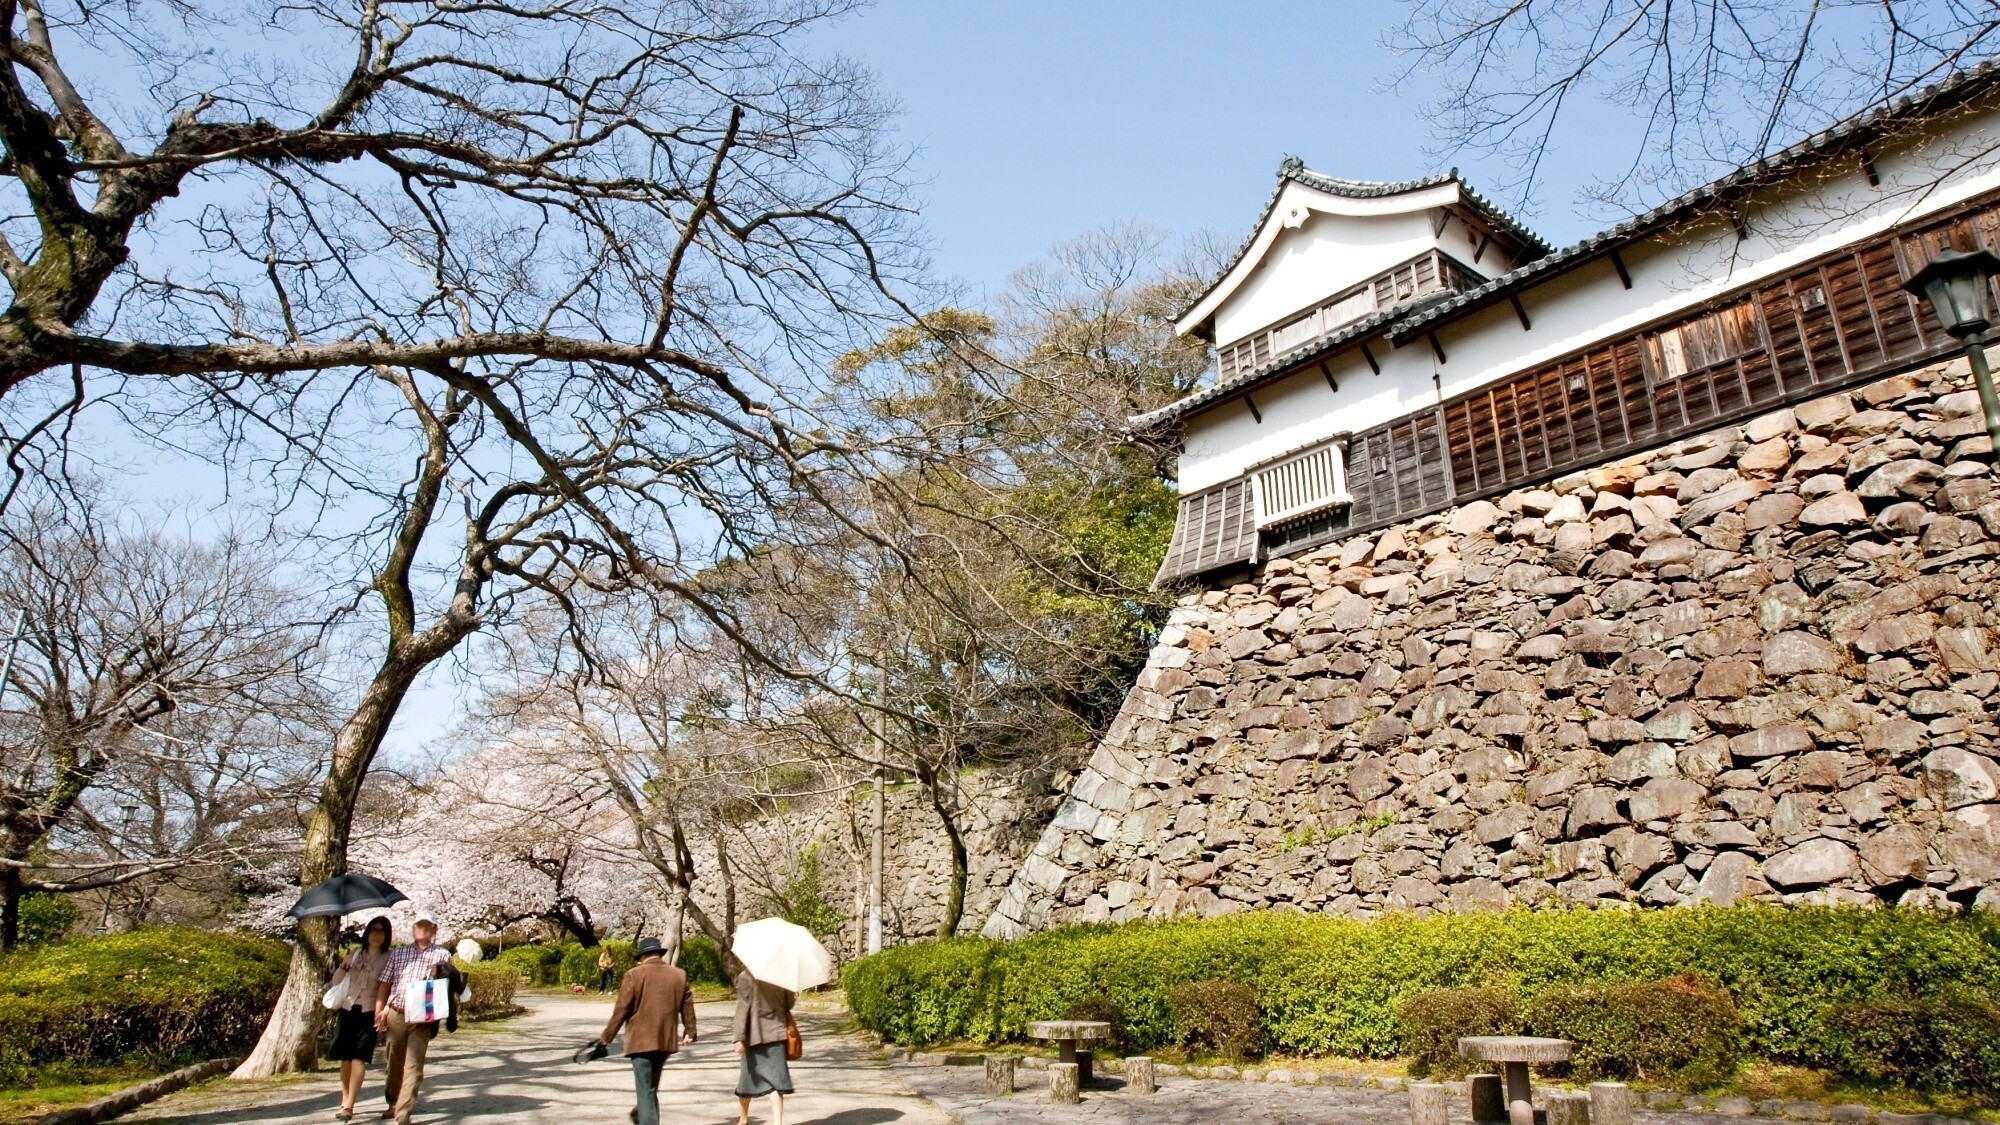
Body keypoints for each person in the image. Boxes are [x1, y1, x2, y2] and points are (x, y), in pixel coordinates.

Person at [595, 937, 696, 1125]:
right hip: (665, 1041)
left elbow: (621, 1009)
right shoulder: (678, 975)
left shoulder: (634, 975)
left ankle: (643, 1116)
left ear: (642, 956)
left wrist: (606, 1038)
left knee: (645, 1090)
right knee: (649, 1089)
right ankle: (640, 1114)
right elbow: (687, 1004)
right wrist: (690, 1031)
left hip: (640, 1042)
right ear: (659, 954)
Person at [373, 913, 453, 1124]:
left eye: (428, 926)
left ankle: (404, 1111)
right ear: (413, 928)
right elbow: (385, 984)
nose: (423, 929)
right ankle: (392, 1102)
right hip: (397, 1012)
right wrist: (380, 1011)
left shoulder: (442, 955)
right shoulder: (398, 954)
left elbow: (449, 984)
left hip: (424, 1017)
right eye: (419, 925)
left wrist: (439, 972)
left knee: (414, 1066)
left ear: (435, 929)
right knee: (394, 1061)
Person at [329, 916, 393, 1121]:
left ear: (386, 935)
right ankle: (344, 1100)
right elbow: (336, 982)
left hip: (370, 1012)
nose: (377, 934)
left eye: (382, 931)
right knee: (346, 1059)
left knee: (360, 1058)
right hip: (348, 1008)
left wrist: (384, 1011)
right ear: (367, 933)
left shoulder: (389, 957)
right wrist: (344, 966)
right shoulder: (355, 953)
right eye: (374, 929)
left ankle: (350, 1104)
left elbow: (389, 986)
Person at [732, 970, 796, 1125]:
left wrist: (738, 1038)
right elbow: (789, 1004)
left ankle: (743, 1118)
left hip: (754, 1035)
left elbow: (742, 1007)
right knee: (776, 1081)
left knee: (747, 1078)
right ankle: (777, 1121)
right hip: (777, 1033)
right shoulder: (781, 975)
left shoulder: (746, 976)